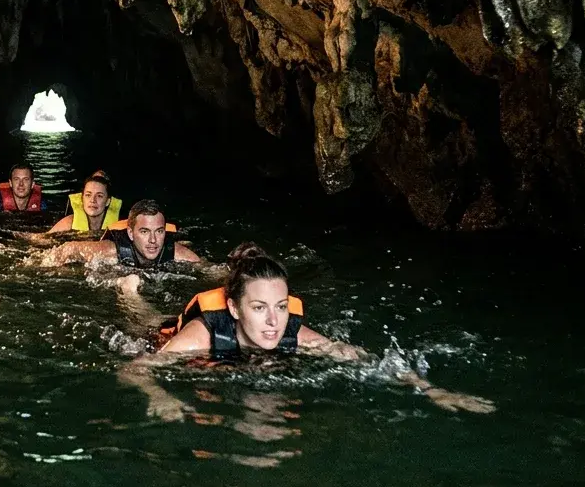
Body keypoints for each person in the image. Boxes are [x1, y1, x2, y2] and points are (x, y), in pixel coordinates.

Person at [119, 243, 496, 420]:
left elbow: (364, 359)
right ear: (234, 308)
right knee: (147, 321)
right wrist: (159, 395)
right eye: (259, 308)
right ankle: (129, 294)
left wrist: (433, 391)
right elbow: (133, 368)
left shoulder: (292, 335)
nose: (274, 322)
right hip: (170, 333)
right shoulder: (203, 335)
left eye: (281, 308)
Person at [37, 199, 201, 267]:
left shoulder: (177, 253)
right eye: (144, 231)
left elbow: (210, 270)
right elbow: (68, 248)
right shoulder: (110, 251)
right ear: (130, 233)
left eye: (159, 231)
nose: (153, 240)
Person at [46, 171, 122, 233]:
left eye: (99, 196)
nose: (93, 200)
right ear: (82, 199)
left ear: (108, 201)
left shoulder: (120, 226)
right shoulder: (68, 223)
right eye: (88, 195)